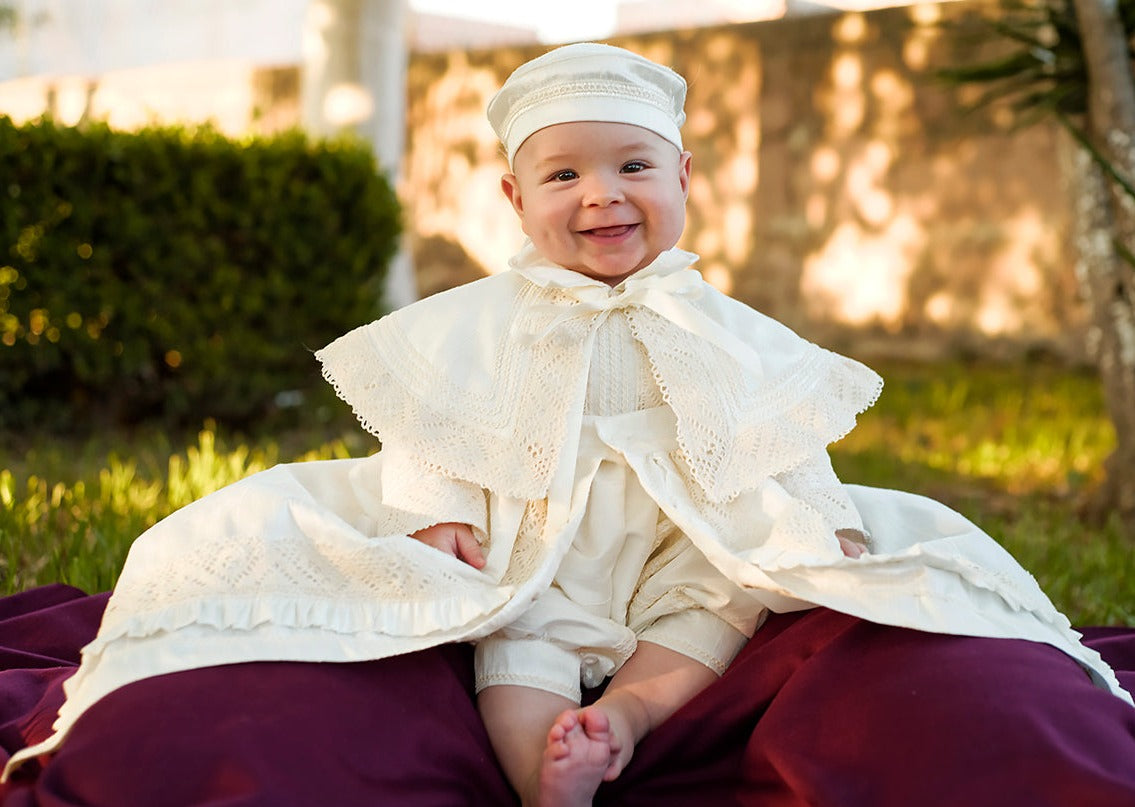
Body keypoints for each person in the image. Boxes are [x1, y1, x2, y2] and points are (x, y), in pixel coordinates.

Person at [3, 42, 1131, 807]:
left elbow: (778, 432)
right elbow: (434, 430)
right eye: (565, 175)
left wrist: (820, 521)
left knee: (717, 606)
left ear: (685, 177)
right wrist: (435, 518)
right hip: (532, 538)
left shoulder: (720, 322)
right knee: (516, 637)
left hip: (687, 539)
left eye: (633, 166)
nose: (602, 195)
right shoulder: (474, 323)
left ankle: (632, 716)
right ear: (512, 198)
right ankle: (552, 766)